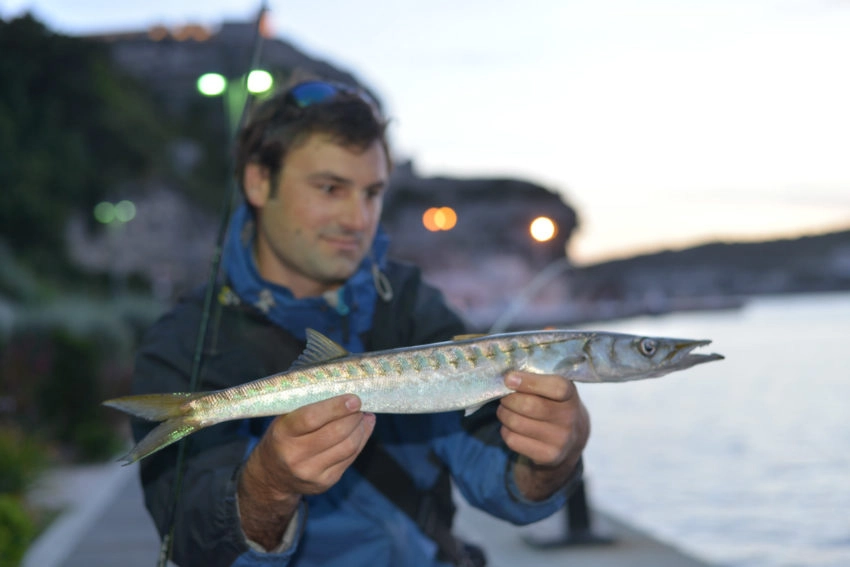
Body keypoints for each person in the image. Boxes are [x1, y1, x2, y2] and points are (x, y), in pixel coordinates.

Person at [131, 79, 591, 567]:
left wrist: (556, 455)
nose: (358, 218)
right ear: (258, 182)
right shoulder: (182, 343)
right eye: (331, 188)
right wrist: (267, 484)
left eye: (372, 193)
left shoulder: (410, 304)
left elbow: (500, 482)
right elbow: (191, 541)